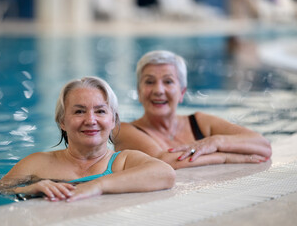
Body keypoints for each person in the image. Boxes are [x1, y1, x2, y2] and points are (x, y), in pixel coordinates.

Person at [0, 76, 175, 202]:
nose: (90, 120)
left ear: (113, 120)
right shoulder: (37, 163)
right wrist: (29, 188)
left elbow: (166, 174)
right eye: (79, 111)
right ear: (62, 121)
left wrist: (97, 185)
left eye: (100, 111)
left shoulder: (123, 162)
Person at [113, 50, 272, 169]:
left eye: (168, 81)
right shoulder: (124, 130)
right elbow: (163, 162)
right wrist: (224, 156)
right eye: (149, 82)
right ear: (139, 92)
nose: (158, 90)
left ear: (182, 92)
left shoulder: (200, 122)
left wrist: (216, 141)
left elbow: (262, 146)